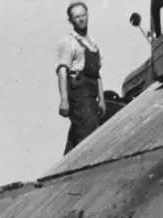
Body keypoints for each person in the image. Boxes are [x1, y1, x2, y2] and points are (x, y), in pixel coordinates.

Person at [57, 2, 105, 155]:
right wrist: (64, 99)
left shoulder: (93, 42)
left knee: (78, 133)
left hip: (92, 93)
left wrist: (102, 99)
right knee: (88, 134)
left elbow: (97, 74)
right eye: (77, 17)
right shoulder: (68, 43)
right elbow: (62, 72)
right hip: (79, 93)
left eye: (83, 15)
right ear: (70, 20)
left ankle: (64, 168)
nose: (81, 19)